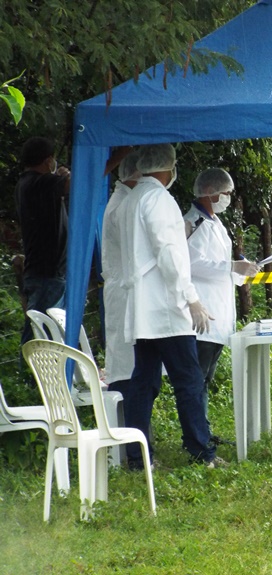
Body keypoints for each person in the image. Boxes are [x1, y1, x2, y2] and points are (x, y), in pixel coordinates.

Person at [119, 143, 223, 470]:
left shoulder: (131, 199)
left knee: (144, 381)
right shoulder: (159, 199)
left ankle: (138, 457)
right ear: (168, 167)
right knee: (188, 379)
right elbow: (170, 255)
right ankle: (201, 450)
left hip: (143, 307)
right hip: (165, 306)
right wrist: (191, 298)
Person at [184, 168, 258, 433]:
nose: (228, 198)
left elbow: (221, 265)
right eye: (226, 193)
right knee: (197, 379)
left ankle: (202, 432)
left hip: (218, 313)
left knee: (205, 378)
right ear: (209, 192)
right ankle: (197, 436)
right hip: (203, 314)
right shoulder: (194, 223)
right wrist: (231, 266)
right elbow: (192, 263)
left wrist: (241, 270)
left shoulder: (214, 222)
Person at [14, 137, 71, 351]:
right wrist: (65, 177)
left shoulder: (26, 183)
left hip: (43, 271)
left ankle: (32, 370)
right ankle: (32, 369)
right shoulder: (40, 183)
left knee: (41, 330)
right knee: (42, 335)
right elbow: (76, 184)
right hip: (47, 272)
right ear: (48, 161)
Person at [101, 150, 140, 402]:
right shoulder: (123, 206)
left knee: (131, 364)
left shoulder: (124, 201)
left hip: (125, 291)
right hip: (124, 293)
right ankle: (127, 422)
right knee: (127, 369)